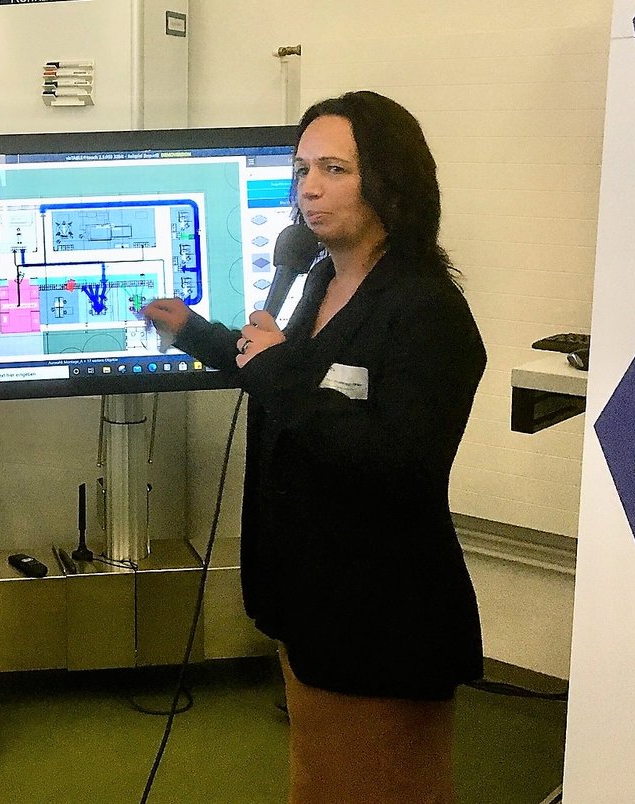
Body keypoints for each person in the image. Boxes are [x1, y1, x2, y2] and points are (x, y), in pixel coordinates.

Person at [142, 91, 486, 804]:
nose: (309, 189)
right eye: (302, 169)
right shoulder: (322, 278)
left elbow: (399, 464)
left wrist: (276, 368)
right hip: (311, 603)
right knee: (320, 781)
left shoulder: (426, 312)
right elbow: (287, 374)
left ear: (390, 180)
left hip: (380, 616)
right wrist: (198, 333)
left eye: (334, 168)